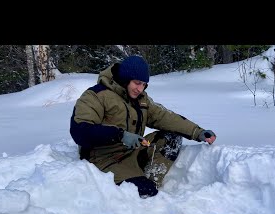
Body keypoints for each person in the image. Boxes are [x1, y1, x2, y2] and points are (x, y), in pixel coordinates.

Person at [70, 55, 216, 198]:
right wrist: (120, 135)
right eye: (137, 83)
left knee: (171, 139)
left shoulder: (141, 100)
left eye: (144, 84)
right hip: (104, 160)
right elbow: (80, 131)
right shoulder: (95, 96)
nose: (140, 89)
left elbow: (165, 117)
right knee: (144, 191)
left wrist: (197, 132)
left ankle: (150, 179)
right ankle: (143, 188)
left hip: (132, 152)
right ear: (125, 79)